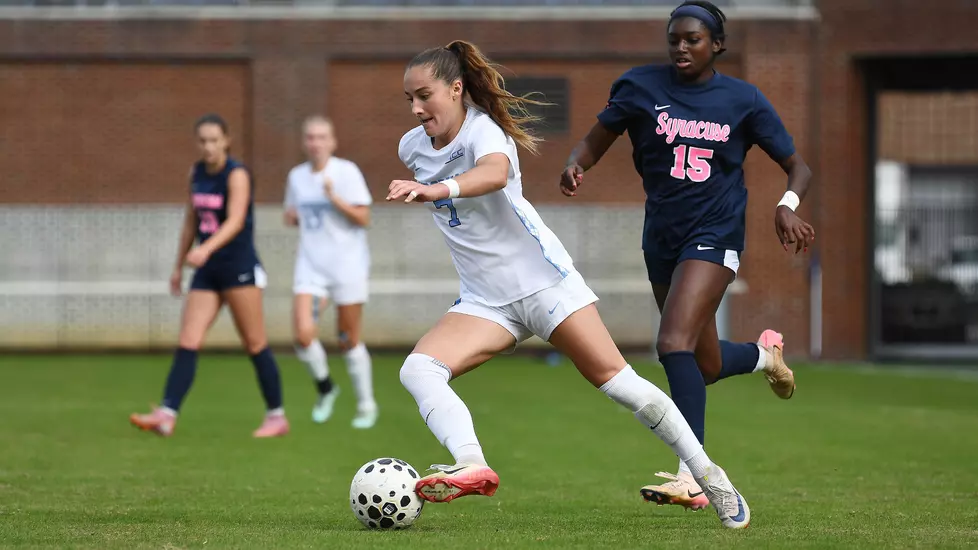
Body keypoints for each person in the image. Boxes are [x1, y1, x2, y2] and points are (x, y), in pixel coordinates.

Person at [388, 39, 749, 529]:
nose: (415, 108)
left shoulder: (483, 133)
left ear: (455, 89)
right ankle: (473, 463)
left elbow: (494, 174)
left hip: (544, 285)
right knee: (419, 370)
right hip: (485, 300)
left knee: (622, 385)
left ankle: (709, 476)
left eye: (424, 95)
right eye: (408, 98)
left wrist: (436, 189)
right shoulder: (412, 146)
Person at [560, 0, 815, 510]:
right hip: (661, 238)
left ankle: (693, 473)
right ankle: (766, 357)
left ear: (717, 45)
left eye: (693, 39)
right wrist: (575, 163)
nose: (681, 47)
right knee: (706, 362)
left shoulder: (742, 99)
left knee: (672, 342)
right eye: (674, 38)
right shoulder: (639, 86)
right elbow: (596, 139)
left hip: (715, 235)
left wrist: (786, 205)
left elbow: (797, 166)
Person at [130, 113, 290, 439]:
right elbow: (191, 221)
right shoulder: (197, 172)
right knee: (188, 340)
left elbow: (234, 220)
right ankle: (167, 414)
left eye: (214, 140)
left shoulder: (237, 174)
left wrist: (207, 248)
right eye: (202, 141)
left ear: (226, 141)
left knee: (255, 343)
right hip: (207, 270)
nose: (208, 147)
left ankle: (276, 416)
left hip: (238, 266)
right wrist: (178, 266)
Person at [283, 115, 378, 429]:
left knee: (347, 339)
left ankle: (366, 404)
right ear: (304, 142)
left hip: (347, 267)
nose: (316, 143)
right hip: (310, 267)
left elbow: (364, 218)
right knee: (302, 334)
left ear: (332, 141)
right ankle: (326, 388)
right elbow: (292, 215)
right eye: (310, 137)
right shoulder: (297, 176)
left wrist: (333, 198)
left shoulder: (346, 172)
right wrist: (294, 216)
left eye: (322, 137)